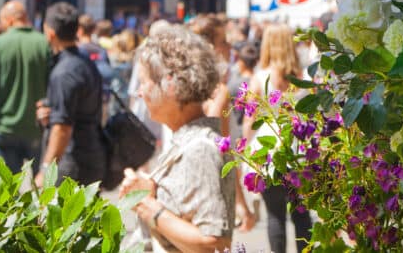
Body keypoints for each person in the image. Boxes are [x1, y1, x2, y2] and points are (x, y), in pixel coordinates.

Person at [119, 27, 234, 252]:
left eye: (144, 82)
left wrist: (146, 205)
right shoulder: (188, 142)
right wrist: (149, 189)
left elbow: (214, 243)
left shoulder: (201, 149)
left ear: (170, 84)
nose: (140, 93)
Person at [246, 24, 313, 253]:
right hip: (299, 150)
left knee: (275, 215)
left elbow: (249, 121)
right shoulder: (303, 78)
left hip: (268, 149)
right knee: (302, 214)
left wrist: (246, 152)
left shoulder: (260, 78)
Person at [192, 15, 257, 233]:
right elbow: (224, 151)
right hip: (211, 192)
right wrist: (241, 204)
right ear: (210, 48)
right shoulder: (219, 91)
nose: (230, 47)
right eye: (224, 42)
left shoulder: (184, 86)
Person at [0, 0, 50, 173]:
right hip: (36, 126)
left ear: (8, 20)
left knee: (8, 190)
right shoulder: (44, 43)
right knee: (43, 188)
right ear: (25, 17)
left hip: (5, 125)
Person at [34, 2, 105, 187]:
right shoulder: (85, 62)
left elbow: (62, 128)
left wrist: (45, 170)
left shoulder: (64, 72)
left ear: (50, 33)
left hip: (72, 163)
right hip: (91, 154)